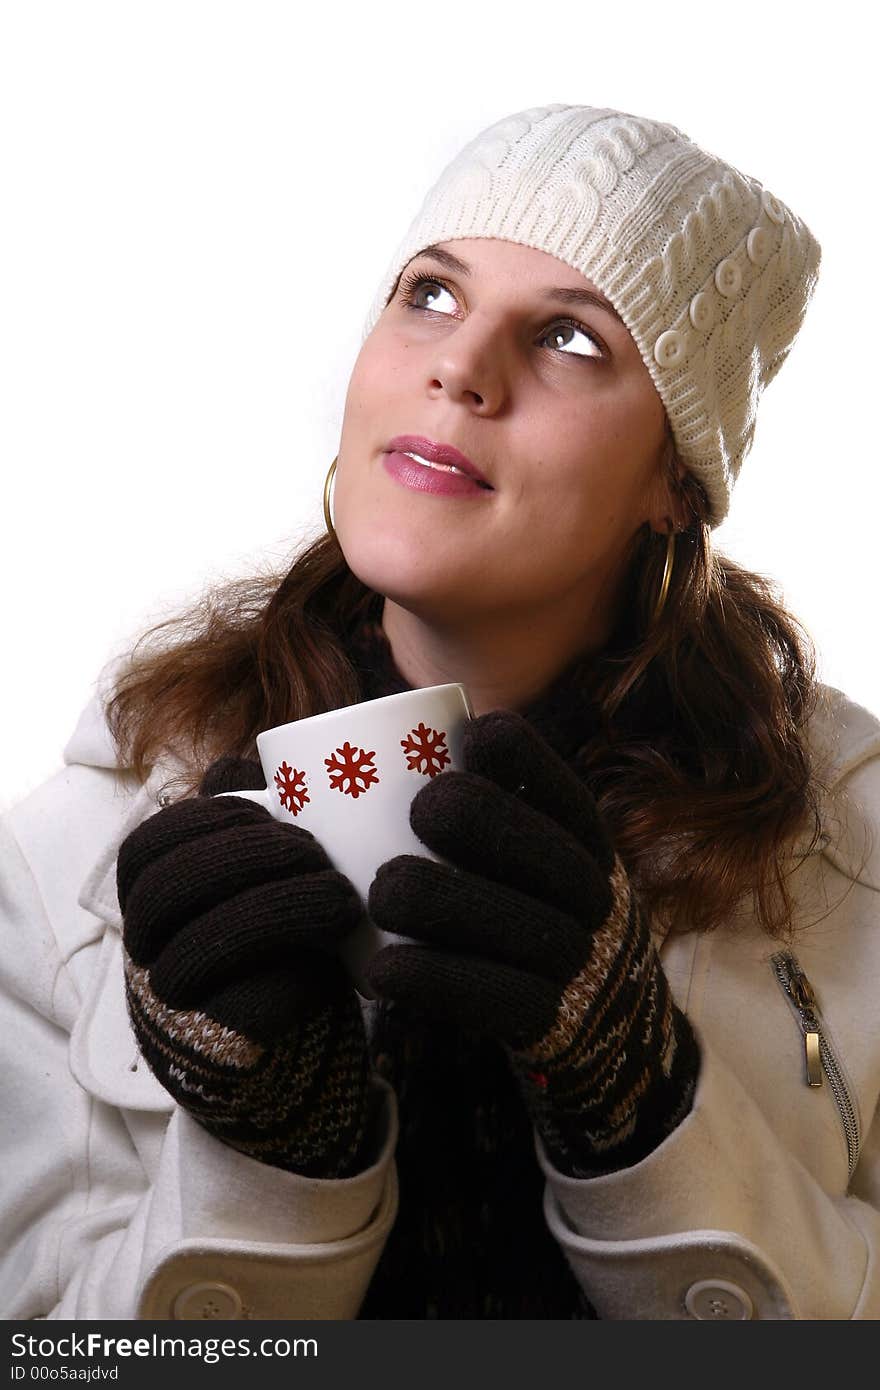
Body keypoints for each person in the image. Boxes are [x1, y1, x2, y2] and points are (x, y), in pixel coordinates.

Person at [2, 102, 879, 1323]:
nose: (460, 366)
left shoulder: (852, 850)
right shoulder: (70, 860)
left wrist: (648, 1107)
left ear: (677, 484)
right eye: (429, 294)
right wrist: (268, 1163)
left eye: (570, 338)